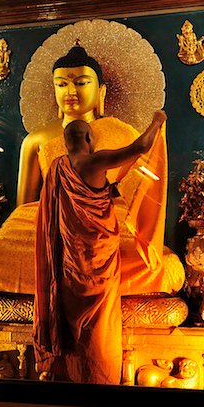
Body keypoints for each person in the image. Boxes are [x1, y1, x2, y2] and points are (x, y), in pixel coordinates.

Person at [0, 43, 185, 297]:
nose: (70, 91)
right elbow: (26, 205)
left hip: (104, 227)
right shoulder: (36, 139)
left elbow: (136, 195)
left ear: (101, 91)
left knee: (166, 266)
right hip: (46, 224)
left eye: (81, 83)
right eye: (61, 84)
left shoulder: (121, 132)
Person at [34, 112, 167, 384]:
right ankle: (97, 379)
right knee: (99, 326)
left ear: (64, 142)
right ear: (87, 138)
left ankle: (66, 378)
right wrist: (157, 120)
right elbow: (140, 147)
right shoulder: (94, 161)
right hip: (98, 261)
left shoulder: (58, 168)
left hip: (67, 263)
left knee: (72, 325)